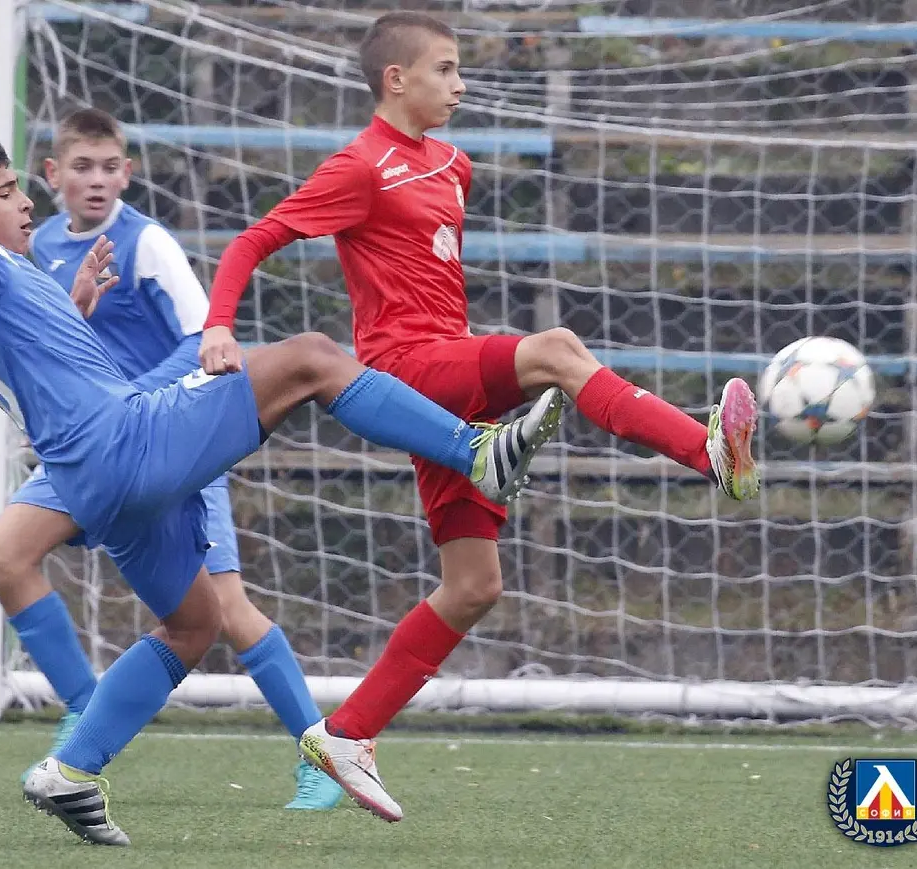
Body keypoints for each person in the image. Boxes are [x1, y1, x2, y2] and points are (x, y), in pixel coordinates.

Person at [0, 137, 563, 845]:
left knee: (195, 625)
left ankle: (72, 769)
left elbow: (34, 351)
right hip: (126, 444)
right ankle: (476, 453)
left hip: (95, 486)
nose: (25, 203)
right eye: (6, 192)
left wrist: (74, 305)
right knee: (312, 358)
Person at [199, 11, 761, 822]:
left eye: (460, 69)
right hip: (403, 371)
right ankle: (705, 451)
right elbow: (253, 241)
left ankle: (349, 732)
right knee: (558, 349)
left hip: (445, 377)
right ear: (396, 79)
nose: (460, 85)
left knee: (473, 586)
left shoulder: (452, 164)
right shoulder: (359, 166)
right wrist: (219, 326)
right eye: (446, 69)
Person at [0, 107, 344, 809]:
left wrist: (132, 401)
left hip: (169, 438)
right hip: (88, 453)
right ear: (52, 174)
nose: (96, 180)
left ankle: (321, 755)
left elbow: (205, 336)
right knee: (3, 555)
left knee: (226, 609)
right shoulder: (35, 246)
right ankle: (83, 714)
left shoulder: (146, 244)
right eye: (82, 166)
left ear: (128, 174)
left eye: (110, 167)